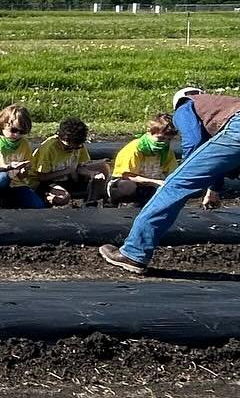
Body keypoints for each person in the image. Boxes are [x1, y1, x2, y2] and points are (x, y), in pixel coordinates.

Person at [99, 90, 240, 274]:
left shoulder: (186, 104)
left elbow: (194, 140)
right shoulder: (220, 104)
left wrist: (188, 170)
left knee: (174, 186)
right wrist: (214, 188)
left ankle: (134, 252)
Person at [0, 105, 45, 209]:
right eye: (13, 130)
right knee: (2, 178)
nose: (17, 135)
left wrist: (23, 171)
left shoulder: (24, 143)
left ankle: (6, 200)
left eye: (21, 132)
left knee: (38, 205)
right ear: (2, 124)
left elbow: (24, 176)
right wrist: (8, 167)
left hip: (16, 184)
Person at [30, 118, 110, 207]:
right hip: (50, 182)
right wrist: (66, 171)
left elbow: (80, 166)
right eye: (68, 148)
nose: (72, 150)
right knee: (63, 197)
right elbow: (41, 177)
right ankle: (46, 199)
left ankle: (91, 202)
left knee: (103, 167)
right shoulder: (49, 148)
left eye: (75, 148)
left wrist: (91, 173)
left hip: (71, 177)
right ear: (60, 138)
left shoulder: (78, 145)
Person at [106, 114, 179, 206]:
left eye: (168, 140)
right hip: (126, 183)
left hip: (150, 186)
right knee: (128, 188)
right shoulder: (134, 149)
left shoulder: (166, 152)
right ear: (149, 132)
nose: (164, 143)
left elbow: (171, 171)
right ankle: (115, 202)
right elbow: (127, 175)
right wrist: (155, 182)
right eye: (160, 138)